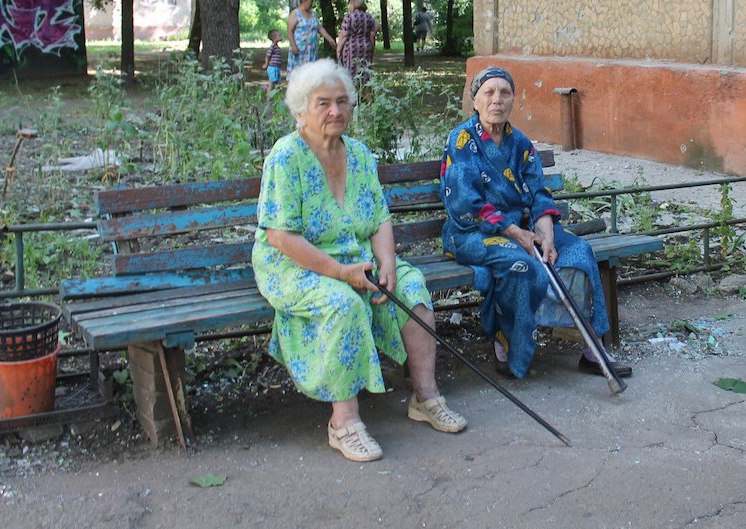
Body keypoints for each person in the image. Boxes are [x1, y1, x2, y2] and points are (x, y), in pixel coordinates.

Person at [252, 59, 467, 462]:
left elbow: (380, 217)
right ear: (301, 109)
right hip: (296, 264)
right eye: (323, 103)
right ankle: (344, 423)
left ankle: (426, 397)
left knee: (412, 288)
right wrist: (339, 273)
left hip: (356, 257)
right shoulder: (286, 156)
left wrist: (386, 261)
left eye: (342, 101)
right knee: (344, 303)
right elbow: (279, 235)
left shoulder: (360, 155)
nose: (335, 111)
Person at [439, 67, 634, 380]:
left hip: (524, 226)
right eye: (489, 93)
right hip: (472, 231)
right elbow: (467, 203)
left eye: (505, 92)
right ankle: (507, 341)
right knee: (521, 263)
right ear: (475, 101)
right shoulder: (462, 140)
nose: (497, 100)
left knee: (579, 251)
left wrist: (547, 236)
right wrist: (518, 234)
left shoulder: (521, 144)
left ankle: (593, 348)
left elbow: (539, 195)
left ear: (513, 99)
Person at [286, 0, 337, 79]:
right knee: (298, 76)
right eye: (310, 1)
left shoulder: (313, 14)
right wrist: (293, 46)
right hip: (299, 52)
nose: (312, 3)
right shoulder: (295, 14)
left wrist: (329, 39)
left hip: (311, 52)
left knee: (311, 76)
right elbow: (289, 31)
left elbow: (319, 28)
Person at [336, 0, 379, 86]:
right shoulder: (369, 17)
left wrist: (338, 50)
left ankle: (353, 96)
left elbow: (344, 35)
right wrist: (371, 48)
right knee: (366, 74)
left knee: (351, 74)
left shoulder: (349, 17)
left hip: (352, 49)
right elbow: (373, 33)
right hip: (366, 48)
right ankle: (368, 97)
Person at [262, 29, 283, 101]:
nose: (281, 36)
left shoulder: (277, 47)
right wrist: (266, 64)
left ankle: (276, 97)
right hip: (272, 67)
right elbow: (267, 55)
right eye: (279, 35)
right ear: (274, 38)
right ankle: (268, 98)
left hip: (277, 67)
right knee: (272, 82)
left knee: (277, 83)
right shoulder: (272, 47)